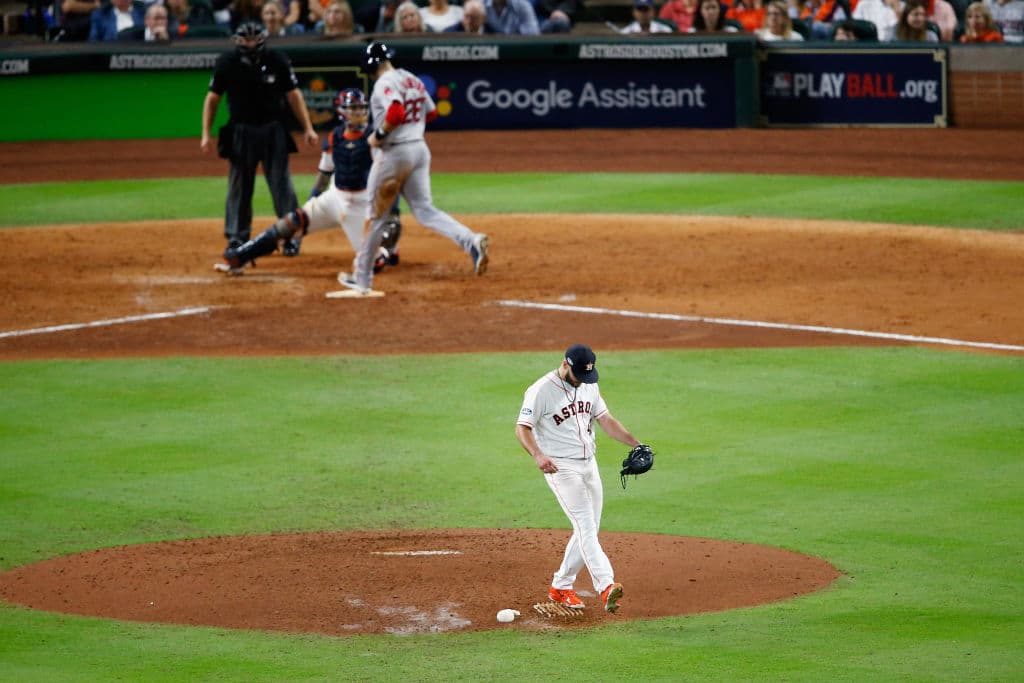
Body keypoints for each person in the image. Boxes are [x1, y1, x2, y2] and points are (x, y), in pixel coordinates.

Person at [339, 42, 489, 296]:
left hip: (394, 153)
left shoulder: (383, 83)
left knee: (376, 218)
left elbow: (396, 112)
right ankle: (470, 241)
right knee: (425, 210)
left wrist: (378, 134)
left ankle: (362, 279)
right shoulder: (410, 78)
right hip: (419, 149)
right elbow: (430, 113)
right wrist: (411, 127)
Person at [515, 343, 646, 615]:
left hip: (589, 464)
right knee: (586, 526)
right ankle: (606, 586)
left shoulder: (589, 385)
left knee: (589, 528)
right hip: (560, 467)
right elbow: (522, 429)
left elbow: (605, 419)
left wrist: (635, 443)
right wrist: (538, 455)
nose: (582, 382)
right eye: (578, 376)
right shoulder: (541, 391)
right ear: (565, 364)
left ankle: (561, 586)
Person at [218, 88, 398, 274]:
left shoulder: (374, 138)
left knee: (372, 263)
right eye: (354, 108)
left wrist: (391, 210)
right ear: (342, 112)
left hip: (359, 205)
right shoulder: (335, 137)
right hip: (334, 197)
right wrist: (313, 199)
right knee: (293, 221)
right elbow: (324, 174)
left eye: (361, 108)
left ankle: (385, 249)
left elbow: (389, 177)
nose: (359, 112)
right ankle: (241, 255)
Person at [200, 22, 319, 251]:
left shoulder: (277, 60)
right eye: (245, 39)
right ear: (237, 40)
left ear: (263, 39)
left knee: (282, 185)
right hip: (241, 130)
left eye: (254, 39)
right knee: (239, 186)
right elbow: (212, 99)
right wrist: (206, 133)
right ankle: (237, 237)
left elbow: (294, 95)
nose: (250, 44)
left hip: (273, 129)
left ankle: (291, 236)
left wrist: (308, 127)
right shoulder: (227, 62)